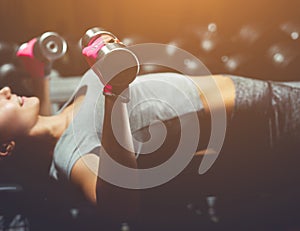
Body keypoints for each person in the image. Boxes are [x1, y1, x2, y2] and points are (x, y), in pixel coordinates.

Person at [1, 57, 300, 220]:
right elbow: (118, 206)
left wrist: (39, 71)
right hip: (262, 120)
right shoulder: (70, 154)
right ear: (5, 148)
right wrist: (114, 92)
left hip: (256, 92)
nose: (3, 91)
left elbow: (41, 132)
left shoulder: (58, 118)